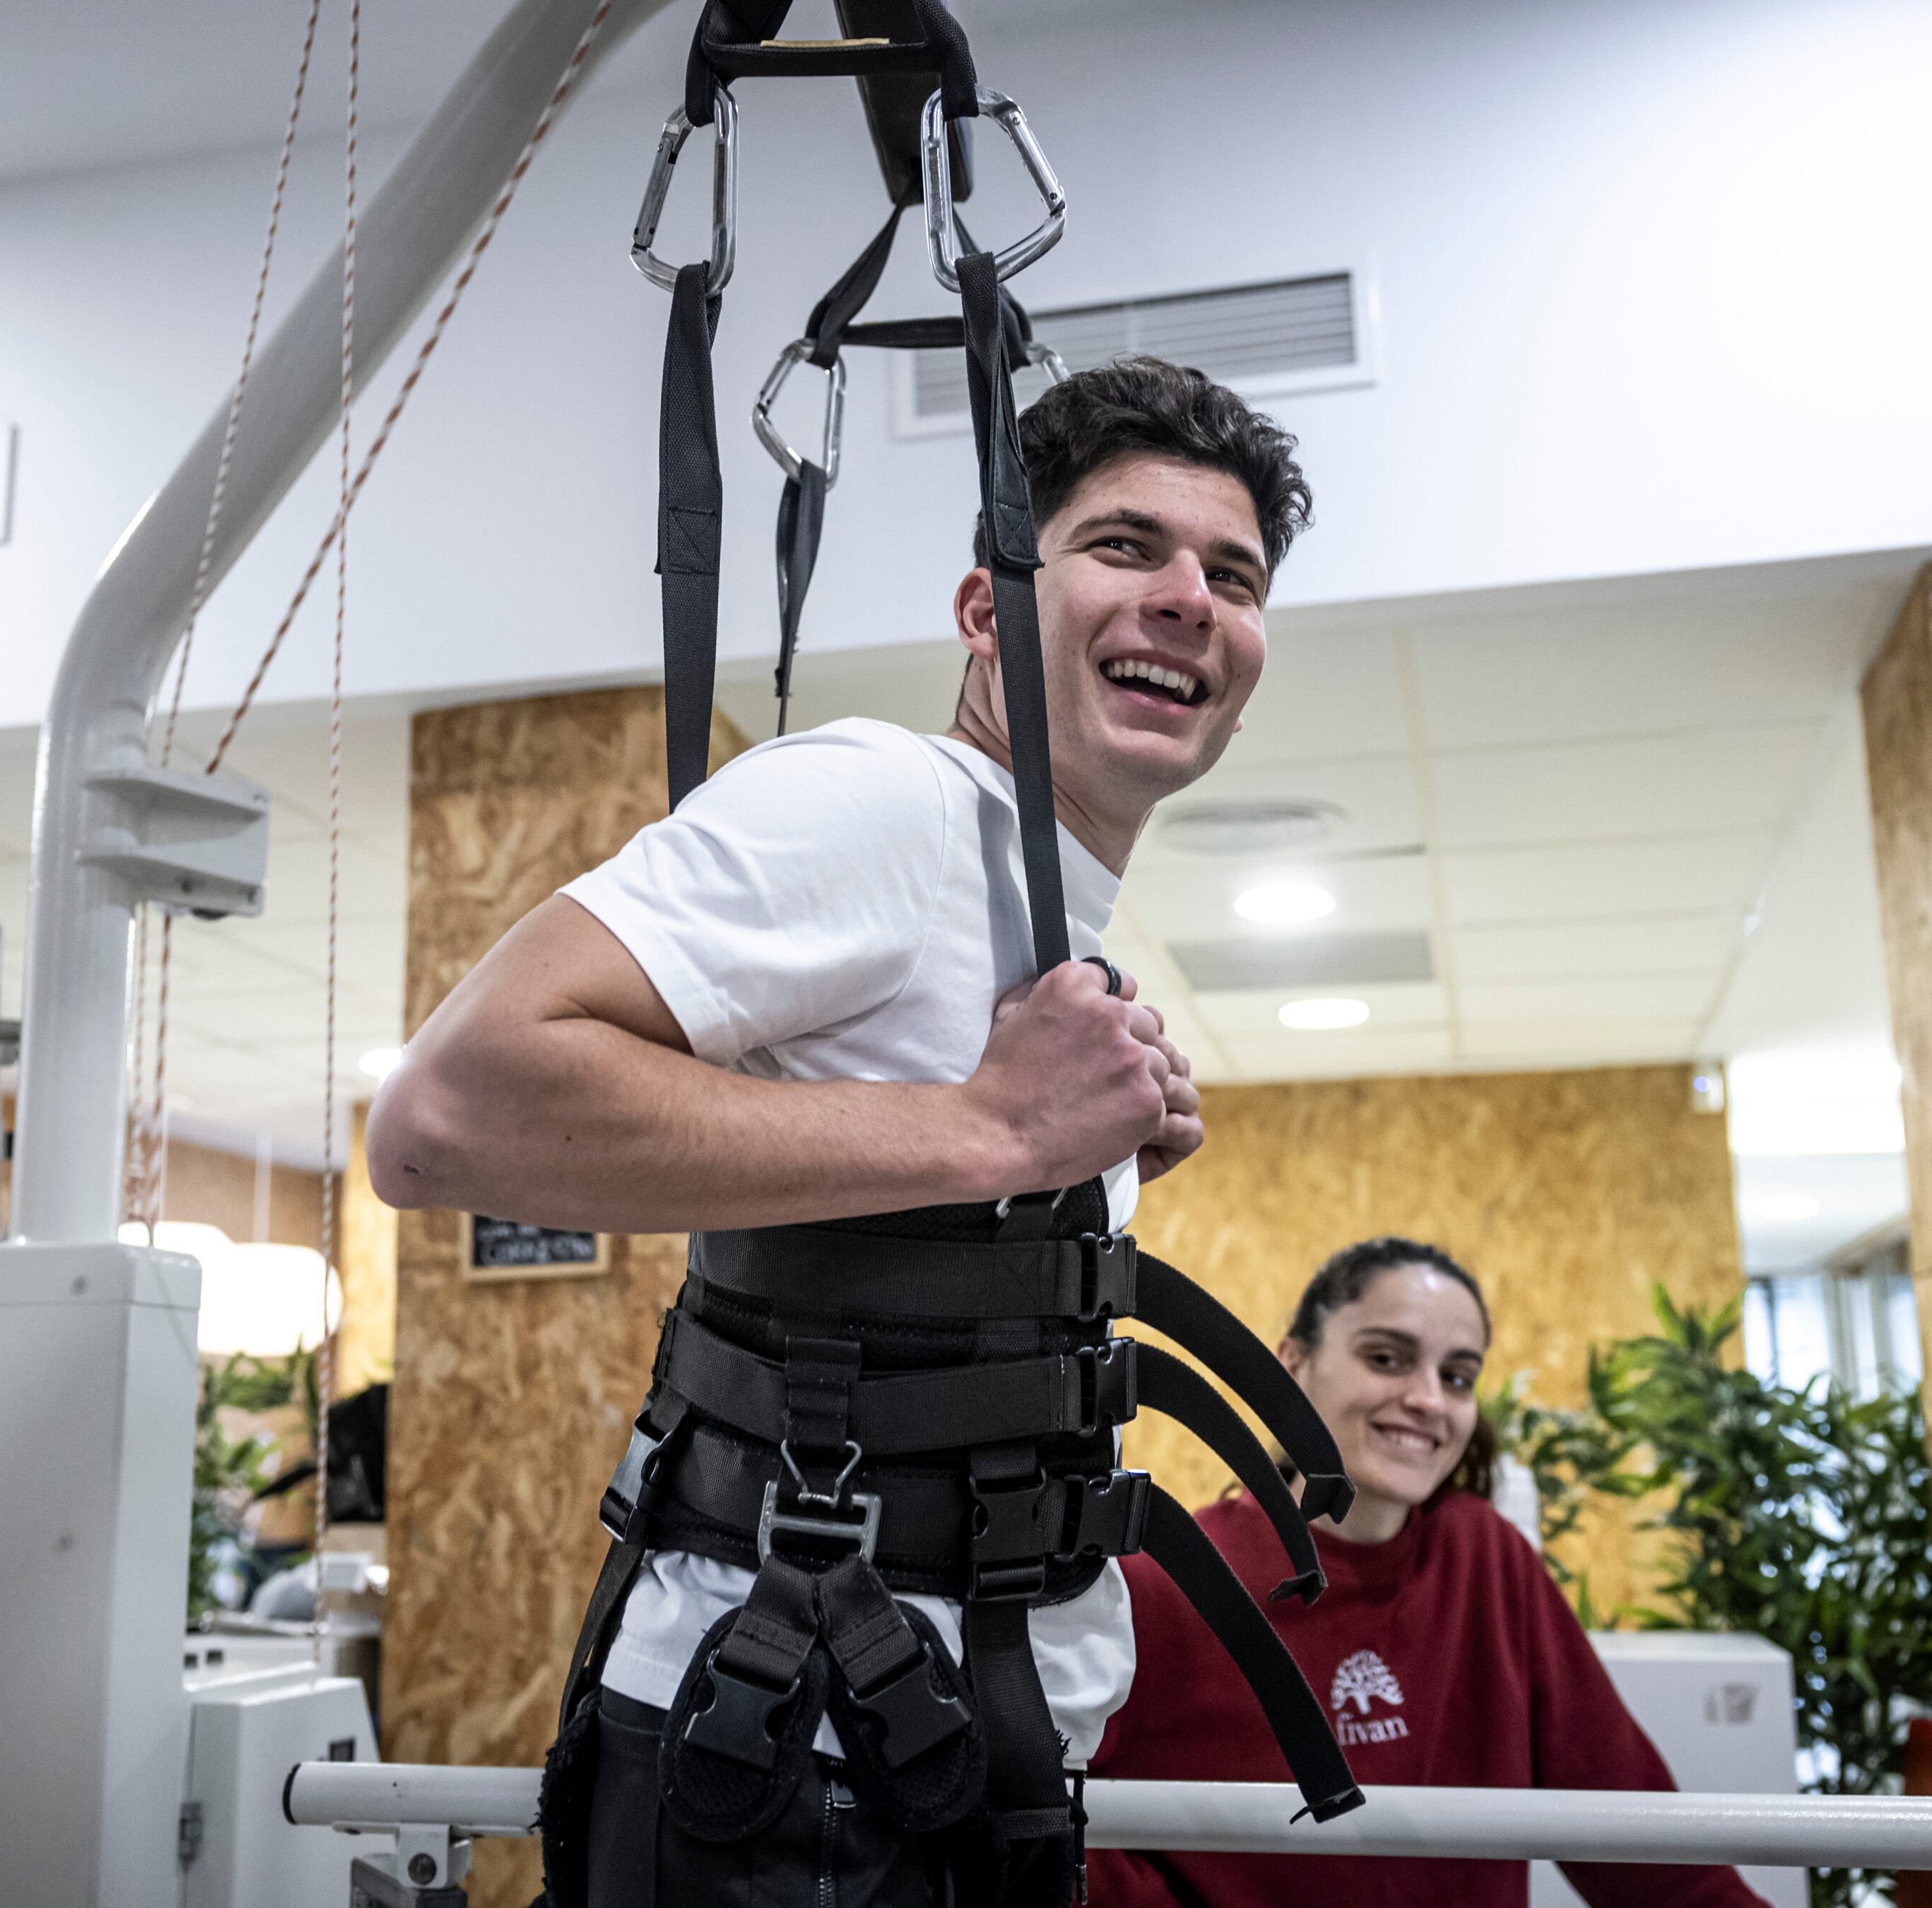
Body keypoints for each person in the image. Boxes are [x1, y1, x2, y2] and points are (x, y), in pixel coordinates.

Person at [368, 356, 1332, 1905]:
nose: (1186, 599)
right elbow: (444, 1119)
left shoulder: (1028, 899)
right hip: (802, 1785)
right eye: (1123, 547)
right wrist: (985, 1135)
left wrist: (1051, 1194)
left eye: (1232, 574)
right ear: (984, 612)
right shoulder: (889, 803)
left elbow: (889, 1204)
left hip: (936, 1764)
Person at [1086, 1237, 1769, 1908]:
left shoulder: (1488, 1557)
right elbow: (1063, 1836)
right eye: (1387, 1358)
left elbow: (1635, 1829)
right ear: (1291, 1365)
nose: (1430, 1400)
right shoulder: (1163, 1583)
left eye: (1458, 1376)